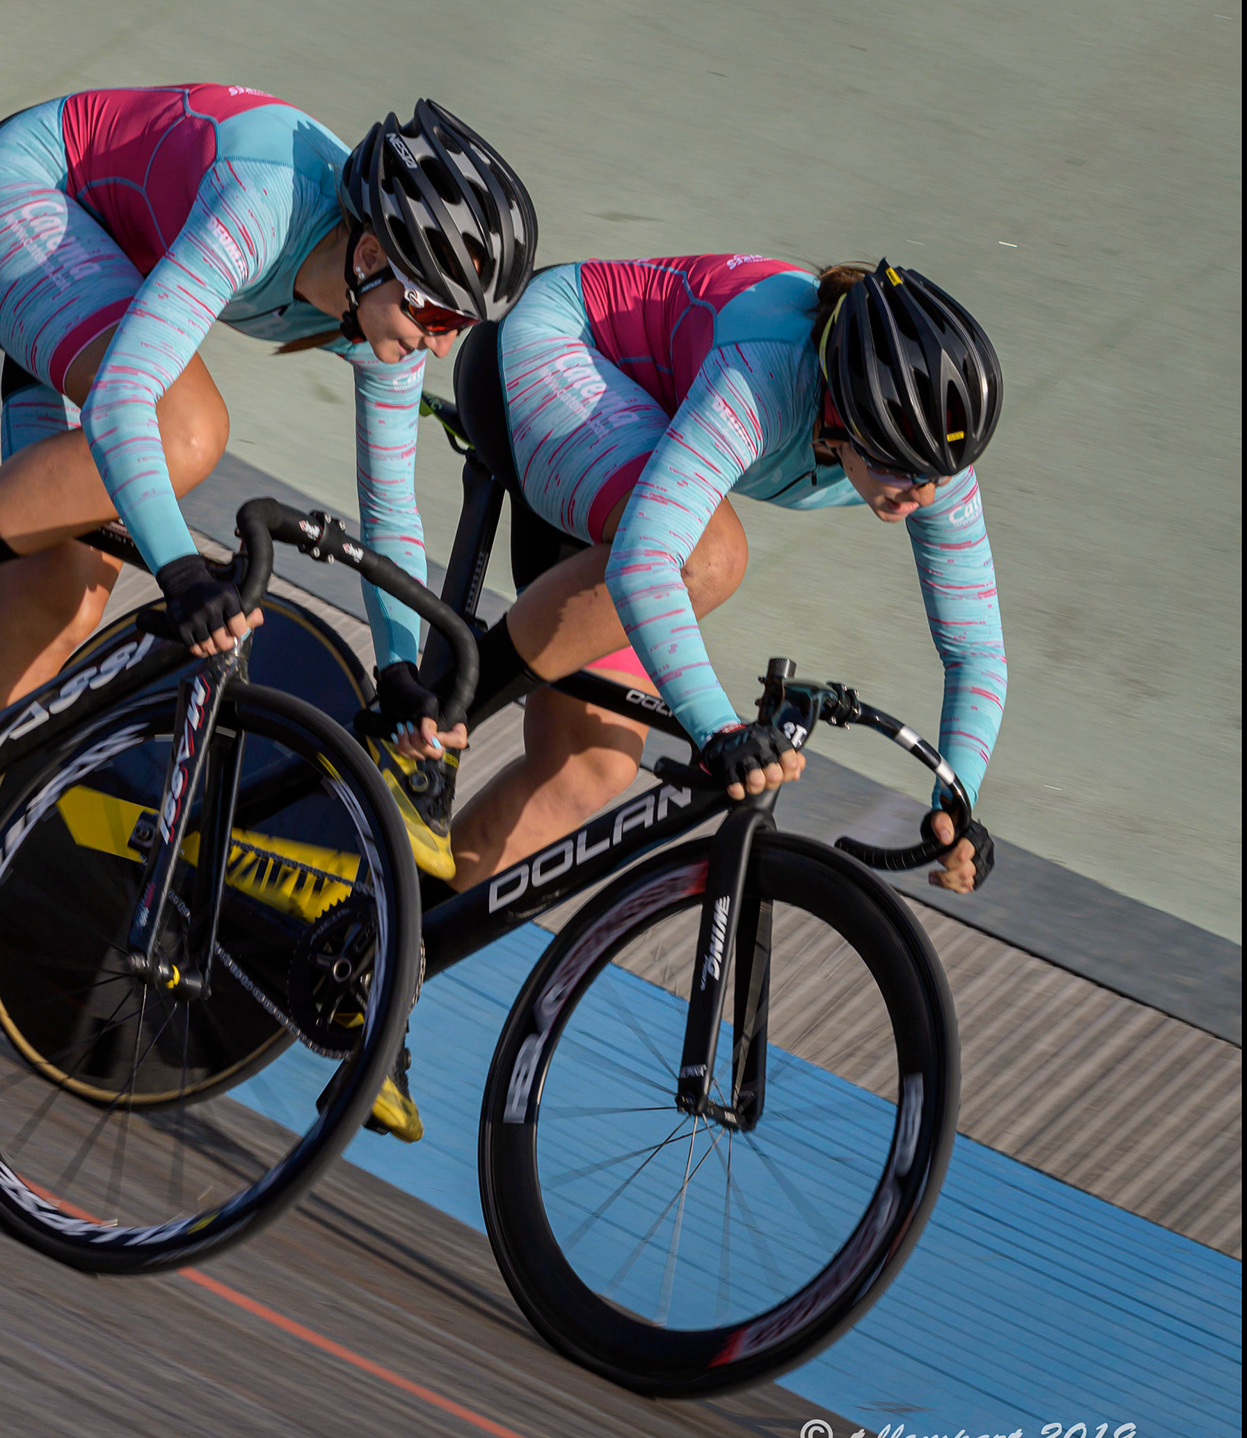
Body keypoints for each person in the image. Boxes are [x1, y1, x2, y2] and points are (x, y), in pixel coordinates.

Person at [0, 86, 538, 1108]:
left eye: (460, 322)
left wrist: (403, 670)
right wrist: (186, 572)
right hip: (25, 200)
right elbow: (127, 403)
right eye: (436, 312)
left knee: (63, 601)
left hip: (107, 265)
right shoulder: (265, 201)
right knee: (189, 431)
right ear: (371, 251)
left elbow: (390, 509)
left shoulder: (376, 306)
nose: (442, 343)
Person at [386, 255, 1007, 1129]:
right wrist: (714, 724)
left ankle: (377, 964)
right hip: (553, 356)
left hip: (643, 432)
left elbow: (976, 650)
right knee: (710, 553)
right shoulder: (769, 373)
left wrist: (959, 789)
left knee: (590, 773)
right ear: (842, 409)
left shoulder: (925, 449)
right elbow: (649, 559)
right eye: (904, 470)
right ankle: (421, 725)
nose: (924, 494)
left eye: (938, 473)